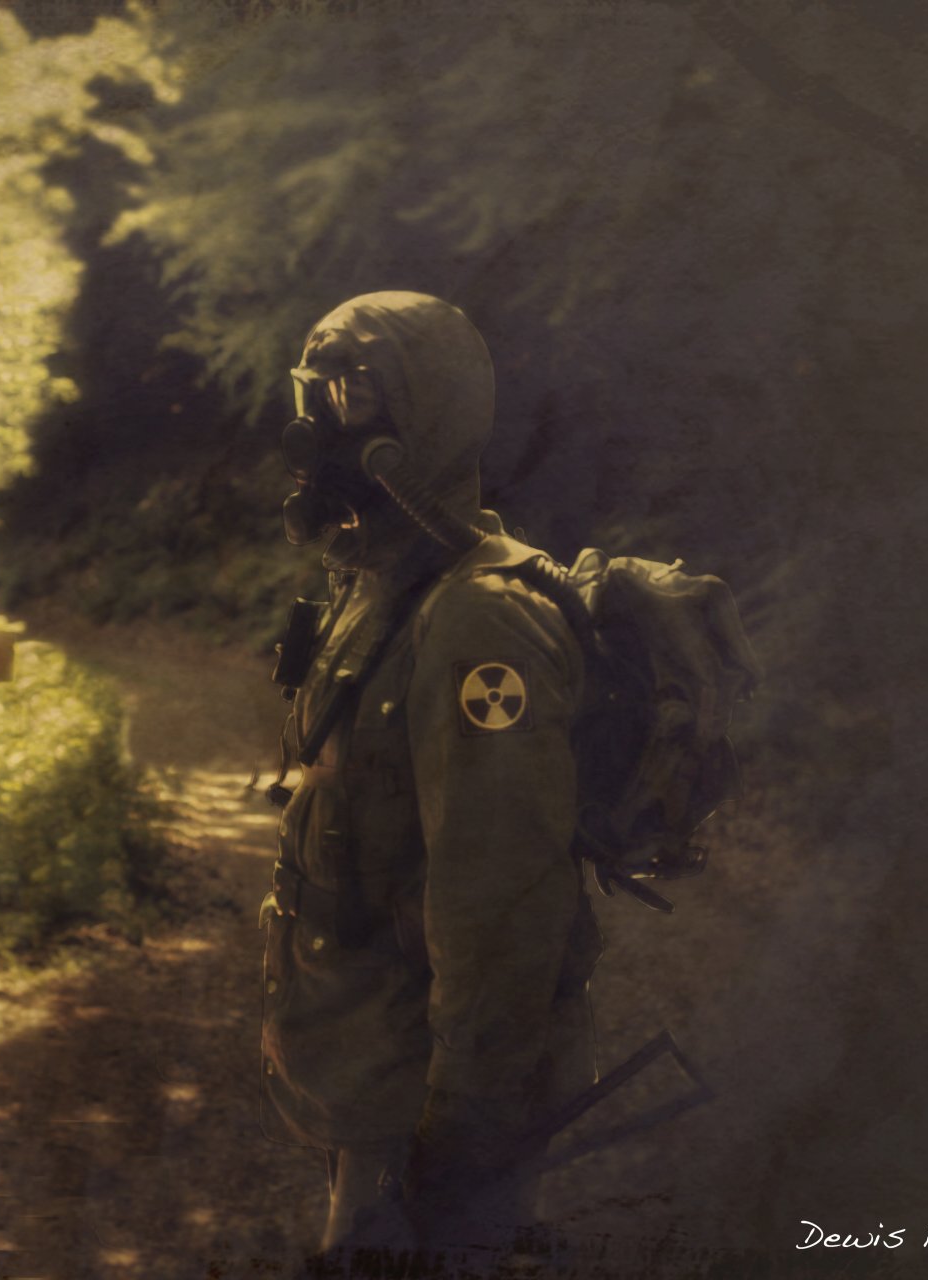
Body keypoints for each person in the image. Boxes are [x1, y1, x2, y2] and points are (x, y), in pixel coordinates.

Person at [258, 291, 604, 1271]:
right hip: (370, 1070)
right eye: (319, 388)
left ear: (430, 416)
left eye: (356, 391)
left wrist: (463, 1130)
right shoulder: (375, 587)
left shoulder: (477, 618)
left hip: (427, 1098)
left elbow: (500, 901)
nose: (322, 422)